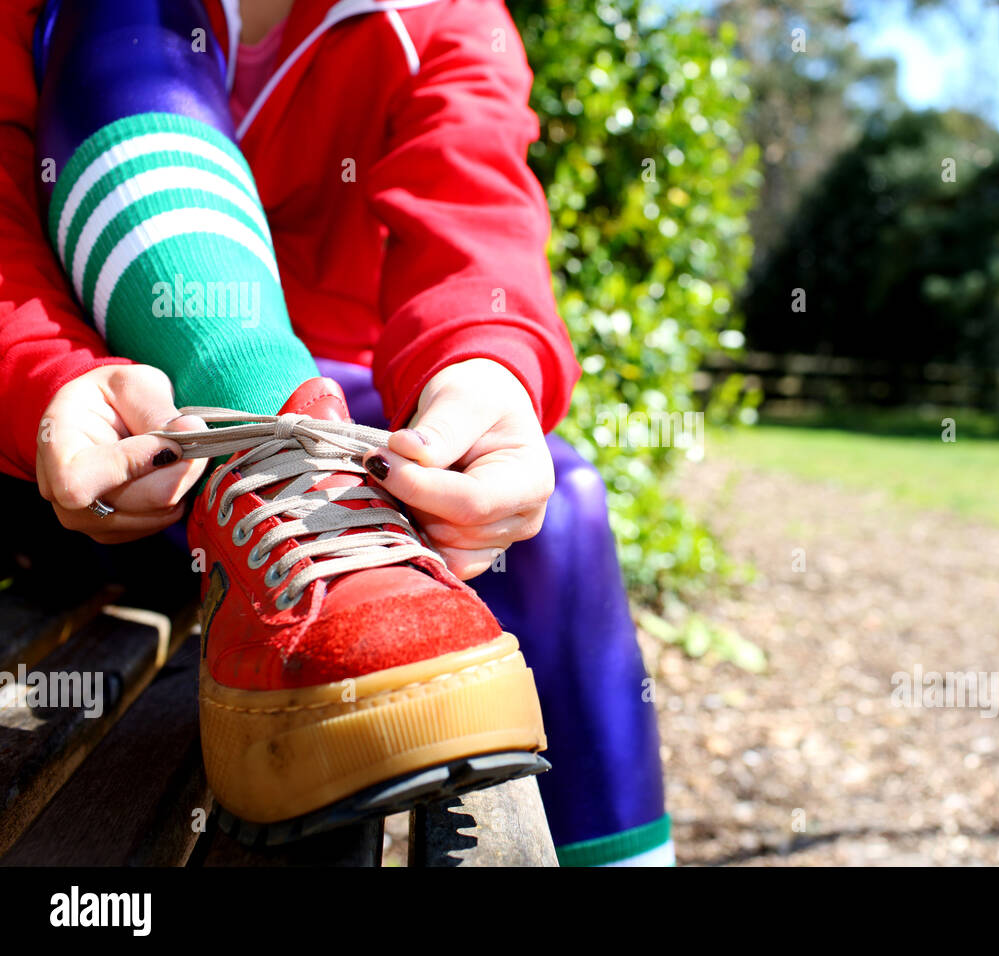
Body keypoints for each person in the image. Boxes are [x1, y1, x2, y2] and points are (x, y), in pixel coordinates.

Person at [0, 0, 671, 865]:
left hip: (341, 435)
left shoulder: (450, 17)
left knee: (560, 508)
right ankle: (261, 431)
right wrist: (45, 379)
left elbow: (474, 216)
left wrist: (484, 371)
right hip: (97, 444)